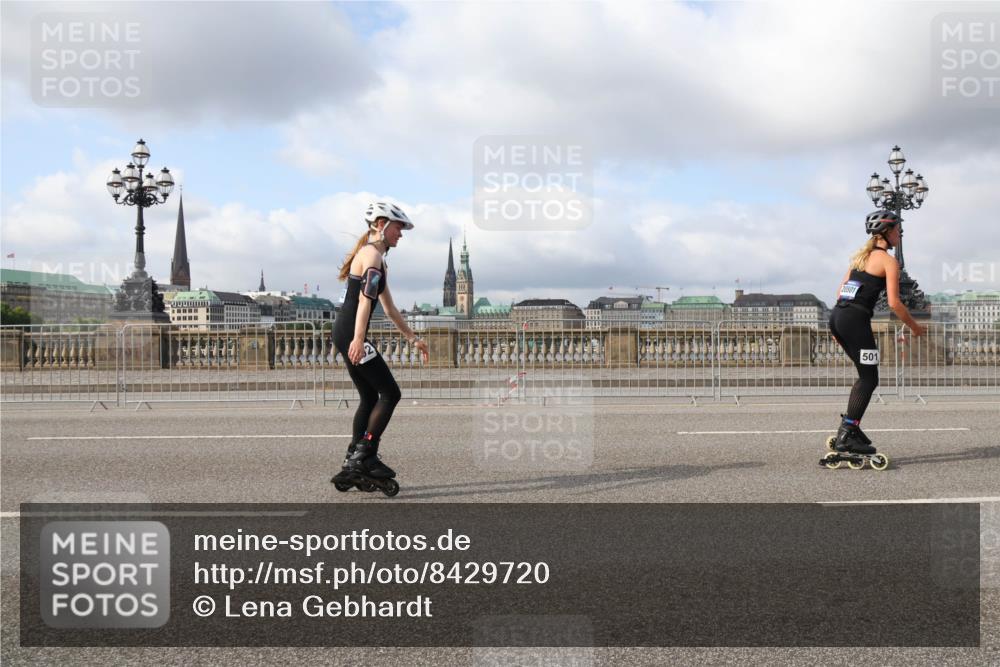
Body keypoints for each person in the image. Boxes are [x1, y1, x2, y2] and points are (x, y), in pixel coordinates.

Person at [330, 202, 429, 491]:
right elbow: (364, 301)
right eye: (399, 227)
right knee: (390, 393)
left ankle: (354, 457)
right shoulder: (372, 256)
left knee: (369, 397)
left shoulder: (378, 259)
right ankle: (364, 456)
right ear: (381, 224)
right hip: (351, 331)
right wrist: (359, 340)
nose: (401, 234)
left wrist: (413, 338)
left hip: (346, 331)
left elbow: (390, 309)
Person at [828, 210, 925, 454]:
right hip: (855, 321)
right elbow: (894, 303)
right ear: (886, 233)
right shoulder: (889, 262)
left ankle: (850, 427)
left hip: (838, 317)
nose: (900, 234)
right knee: (870, 378)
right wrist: (914, 327)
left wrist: (837, 327)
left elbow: (842, 292)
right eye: (897, 230)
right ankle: (848, 434)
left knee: (865, 376)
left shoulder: (859, 260)